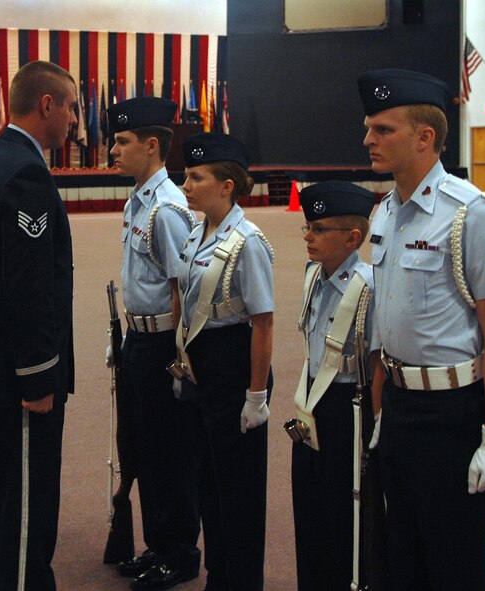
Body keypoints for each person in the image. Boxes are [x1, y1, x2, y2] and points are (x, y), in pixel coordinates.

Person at [357, 68, 485, 590]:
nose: (368, 140)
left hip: (452, 414)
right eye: (369, 128)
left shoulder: (471, 214)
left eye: (383, 129)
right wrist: (383, 412)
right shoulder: (384, 214)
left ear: (425, 137)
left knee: (453, 561)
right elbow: (384, 323)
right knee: (401, 556)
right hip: (400, 409)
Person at [0, 60, 77, 591]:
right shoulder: (26, 173)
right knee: (28, 503)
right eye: (71, 107)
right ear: (46, 105)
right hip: (17, 371)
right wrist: (37, 375)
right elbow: (29, 285)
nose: (74, 119)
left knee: (6, 496)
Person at [106, 97, 201, 591]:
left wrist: (179, 357)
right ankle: (158, 543)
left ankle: (180, 552)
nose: (113, 150)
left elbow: (182, 286)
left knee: (169, 452)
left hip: (164, 344)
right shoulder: (137, 199)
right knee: (144, 447)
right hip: (138, 341)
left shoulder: (166, 209)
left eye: (122, 142)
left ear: (151, 145)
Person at [174, 132, 274, 591]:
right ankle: (220, 574)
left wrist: (256, 396)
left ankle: (242, 580)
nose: (186, 184)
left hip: (235, 364)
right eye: (187, 175)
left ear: (227, 185)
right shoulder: (199, 231)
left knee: (239, 490)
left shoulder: (247, 241)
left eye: (197, 177)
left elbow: (263, 323)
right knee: (209, 482)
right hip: (202, 365)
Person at [288, 181, 383, 590]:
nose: (308, 236)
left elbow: (376, 361)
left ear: (352, 237)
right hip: (310, 401)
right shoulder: (313, 275)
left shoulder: (369, 286)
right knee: (308, 507)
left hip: (349, 407)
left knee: (345, 511)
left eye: (319, 229)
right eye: (307, 227)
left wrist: (377, 427)